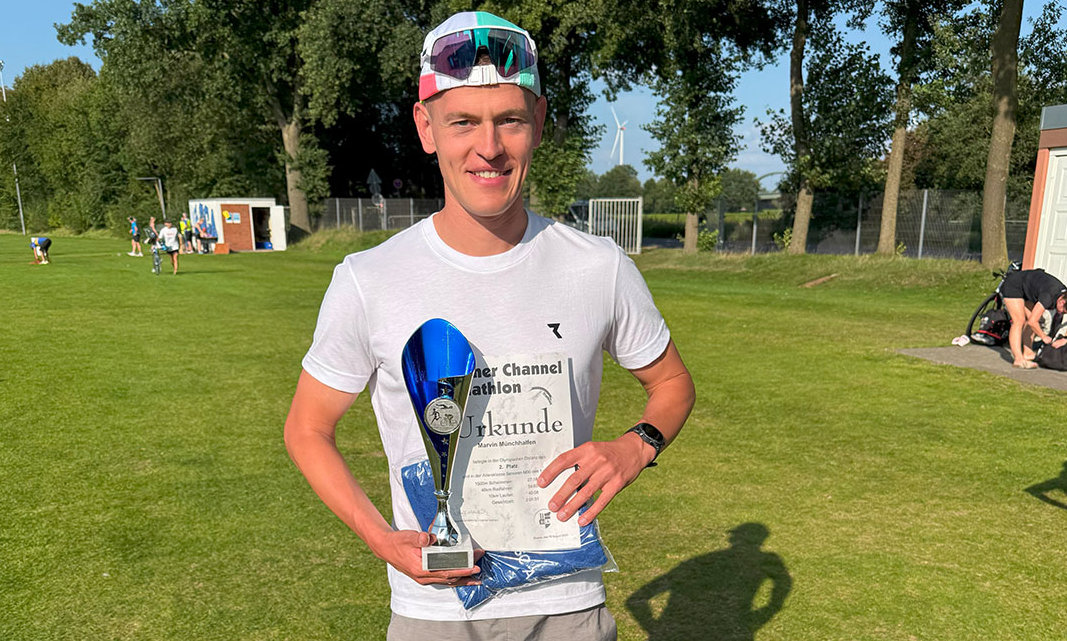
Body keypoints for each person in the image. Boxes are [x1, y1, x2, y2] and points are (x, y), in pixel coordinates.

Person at [283, 11, 695, 640]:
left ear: (540, 123)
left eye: (510, 120)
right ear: (426, 128)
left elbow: (672, 384)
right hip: (434, 612)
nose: (490, 147)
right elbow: (308, 429)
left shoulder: (599, 267)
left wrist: (634, 447)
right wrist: (382, 539)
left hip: (567, 604)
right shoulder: (369, 279)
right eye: (463, 123)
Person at [1002, 268, 1067, 368]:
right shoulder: (1049, 296)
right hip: (1014, 285)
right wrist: (1043, 336)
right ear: (1061, 302)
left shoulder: (1063, 294)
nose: (1061, 313)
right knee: (1019, 321)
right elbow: (1032, 322)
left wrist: (1065, 339)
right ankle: (1018, 359)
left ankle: (1027, 353)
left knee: (1033, 318)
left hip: (1028, 288)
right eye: (1063, 311)